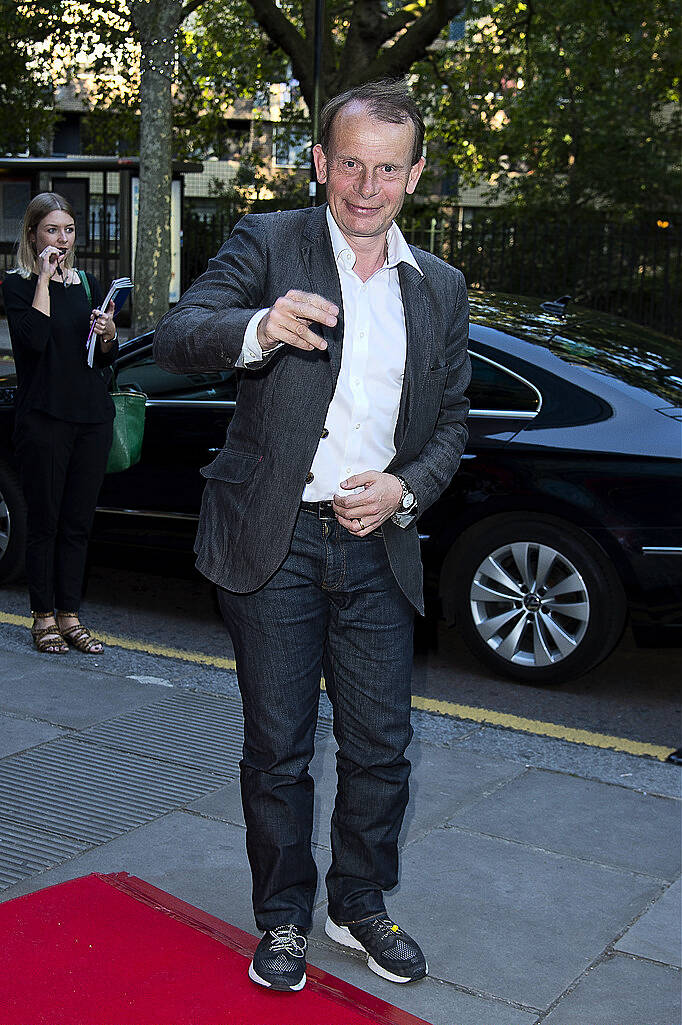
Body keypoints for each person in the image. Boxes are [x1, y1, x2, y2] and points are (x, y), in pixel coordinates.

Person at [154, 79, 471, 993]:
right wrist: (258, 326)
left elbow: (451, 420)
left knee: (381, 745)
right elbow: (179, 333)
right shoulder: (270, 240)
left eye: (388, 169)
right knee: (280, 747)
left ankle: (359, 901)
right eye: (351, 165)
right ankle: (286, 914)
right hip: (274, 537)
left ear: (413, 176)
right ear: (323, 162)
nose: (366, 187)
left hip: (377, 542)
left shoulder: (440, 288)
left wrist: (407, 486)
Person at [2, 192, 118, 654]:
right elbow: (32, 342)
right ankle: (43, 616)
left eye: (68, 230)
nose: (62, 239)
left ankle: (70, 614)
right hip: (44, 418)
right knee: (44, 522)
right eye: (52, 230)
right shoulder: (16, 284)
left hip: (91, 417)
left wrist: (107, 335)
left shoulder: (88, 283)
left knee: (77, 523)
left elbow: (102, 359)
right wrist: (44, 280)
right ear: (33, 234)